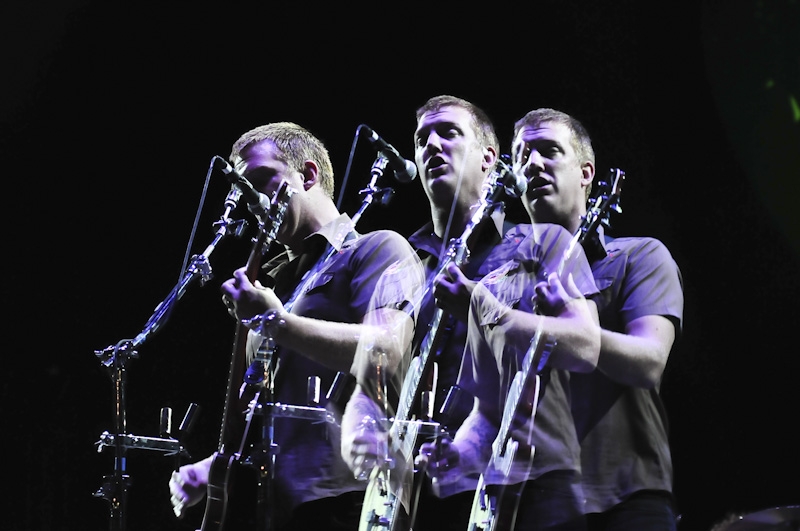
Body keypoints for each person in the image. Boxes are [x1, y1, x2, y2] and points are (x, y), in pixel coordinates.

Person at [168, 121, 422, 531]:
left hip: (348, 502)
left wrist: (278, 322)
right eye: (243, 192)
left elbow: (386, 351)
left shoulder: (377, 248)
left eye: (262, 181)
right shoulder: (276, 286)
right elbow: (271, 416)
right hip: (272, 508)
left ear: (307, 175)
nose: (253, 203)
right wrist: (213, 467)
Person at [342, 94, 536, 531]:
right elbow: (369, 380)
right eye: (421, 138)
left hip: (491, 492)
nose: (431, 145)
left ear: (489, 157)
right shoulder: (403, 262)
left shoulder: (529, 252)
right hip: (403, 498)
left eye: (448, 132)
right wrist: (360, 427)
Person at [510, 108, 684, 530]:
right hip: (530, 507)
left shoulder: (638, 256)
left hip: (624, 499)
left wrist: (580, 332)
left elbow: (650, 361)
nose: (533, 164)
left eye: (549, 151)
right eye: (521, 157)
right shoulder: (506, 282)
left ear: (586, 172)